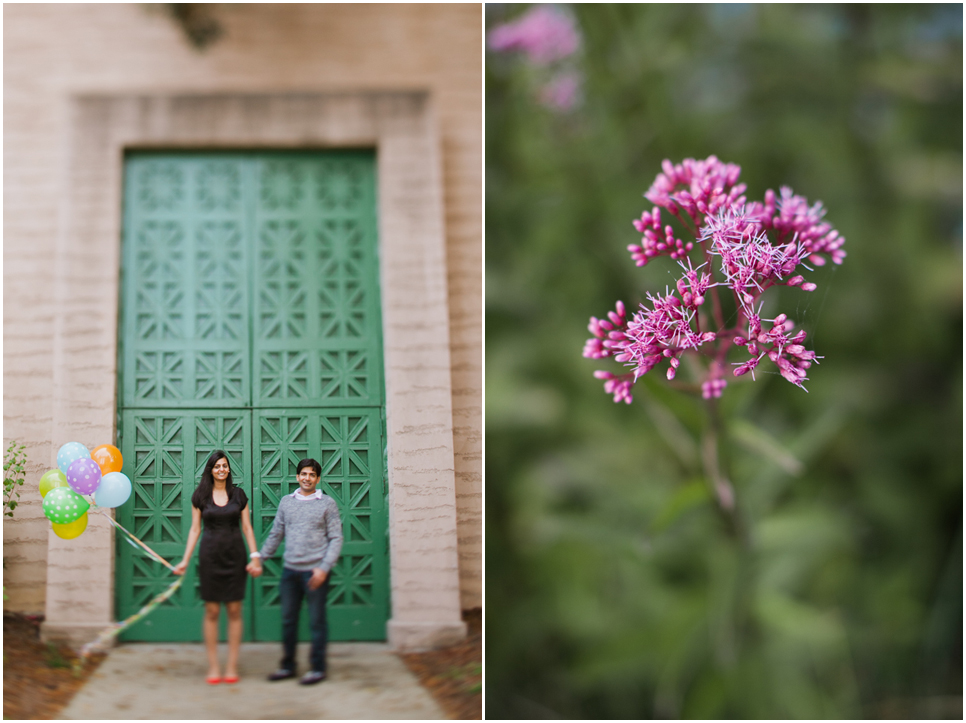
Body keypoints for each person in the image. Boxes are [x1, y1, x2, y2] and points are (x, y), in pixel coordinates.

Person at [247, 458, 343, 685]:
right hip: (290, 571)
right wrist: (260, 557)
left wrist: (324, 568)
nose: (307, 478)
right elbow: (276, 533)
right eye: (303, 474)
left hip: (315, 572)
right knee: (288, 620)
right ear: (297, 477)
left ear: (318, 478)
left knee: (316, 621)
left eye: (312, 474)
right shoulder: (286, 502)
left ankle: (318, 668)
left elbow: (336, 538)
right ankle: (288, 666)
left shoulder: (327, 503)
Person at [172, 450, 259, 685]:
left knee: (234, 611)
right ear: (210, 470)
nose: (221, 469)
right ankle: (213, 666)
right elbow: (194, 529)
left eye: (225, 465)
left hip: (235, 558)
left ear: (228, 469)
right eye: (217, 466)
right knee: (211, 612)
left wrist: (255, 556)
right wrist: (185, 560)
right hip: (210, 558)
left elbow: (247, 528)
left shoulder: (239, 495)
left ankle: (231, 665)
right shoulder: (200, 496)